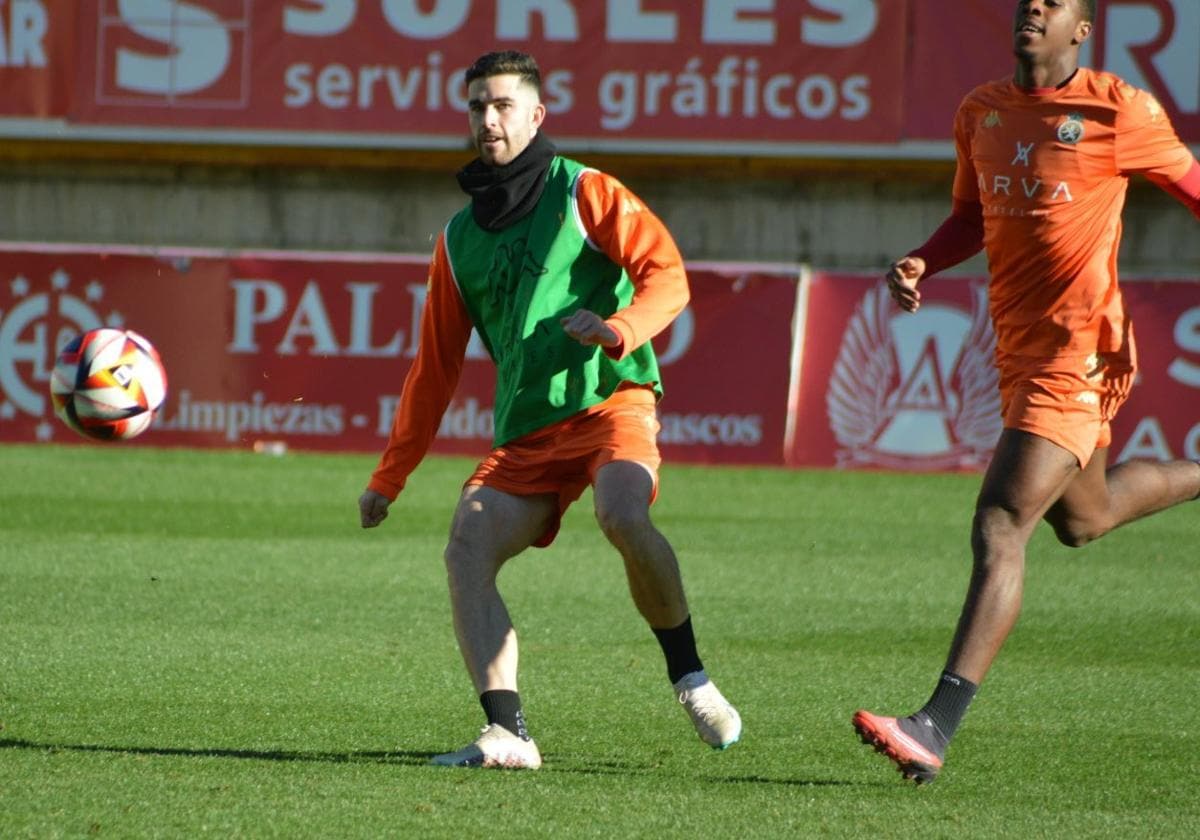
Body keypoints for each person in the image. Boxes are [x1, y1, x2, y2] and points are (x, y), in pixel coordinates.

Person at [359, 50, 741, 769]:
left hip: (609, 403)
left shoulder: (586, 192)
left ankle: (691, 678)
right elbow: (432, 369)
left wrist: (619, 329)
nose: (488, 119)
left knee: (623, 513)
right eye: (477, 106)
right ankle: (508, 733)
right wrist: (389, 478)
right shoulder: (457, 238)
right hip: (529, 430)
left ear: (536, 116)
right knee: (467, 544)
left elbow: (670, 277)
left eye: (503, 105)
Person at [853, 0, 1200, 784]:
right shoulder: (981, 111)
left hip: (1080, 351)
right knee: (1086, 518)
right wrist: (921, 262)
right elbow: (970, 216)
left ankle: (933, 727)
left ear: (1082, 30)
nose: (1034, 8)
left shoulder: (1118, 109)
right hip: (1019, 350)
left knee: (1001, 521)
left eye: (1055, 3)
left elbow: (1194, 188)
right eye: (1026, 1)